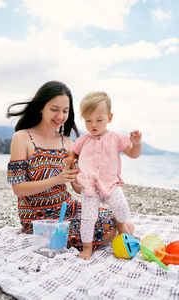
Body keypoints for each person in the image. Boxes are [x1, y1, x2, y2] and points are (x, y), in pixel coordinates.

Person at [6, 81, 122, 253]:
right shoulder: (22, 138)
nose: (60, 116)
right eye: (54, 109)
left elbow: (76, 186)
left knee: (112, 217)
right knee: (103, 231)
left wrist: (97, 180)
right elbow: (18, 189)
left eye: (65, 111)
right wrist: (56, 179)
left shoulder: (67, 142)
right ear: (41, 107)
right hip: (38, 217)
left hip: (68, 207)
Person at [67, 91, 141, 260]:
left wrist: (136, 144)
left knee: (121, 206)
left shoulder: (116, 138)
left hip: (111, 184)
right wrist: (71, 159)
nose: (93, 125)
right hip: (89, 186)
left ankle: (121, 225)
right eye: (88, 120)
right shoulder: (84, 139)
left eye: (99, 120)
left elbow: (133, 154)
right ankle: (87, 247)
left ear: (110, 117)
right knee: (88, 218)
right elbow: (73, 151)